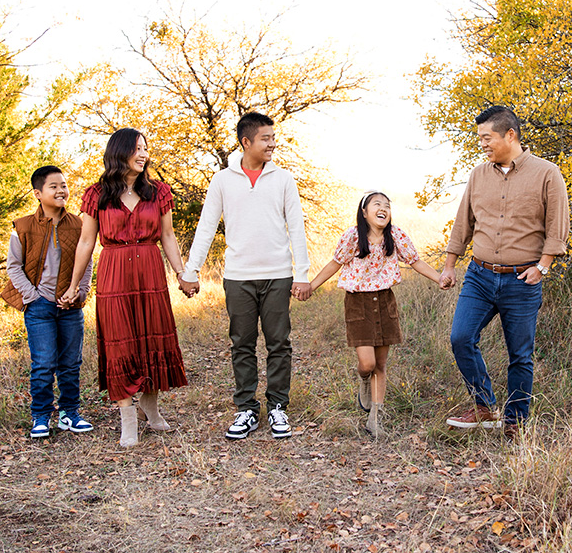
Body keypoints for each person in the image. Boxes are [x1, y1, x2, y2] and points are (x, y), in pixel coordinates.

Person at [440, 106, 570, 439]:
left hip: (522, 280)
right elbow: (463, 222)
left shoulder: (547, 173)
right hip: (479, 276)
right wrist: (450, 264)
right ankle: (484, 406)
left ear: (509, 135)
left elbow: (558, 226)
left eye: (487, 138)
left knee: (520, 355)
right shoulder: (478, 175)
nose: (482, 144)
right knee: (461, 338)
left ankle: (514, 422)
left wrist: (543, 267)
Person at [182, 112, 311, 440]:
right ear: (246, 142)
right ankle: (246, 409)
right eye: (265, 138)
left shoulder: (284, 178)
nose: (272, 143)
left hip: (278, 275)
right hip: (238, 276)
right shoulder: (223, 180)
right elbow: (207, 226)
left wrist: (302, 274)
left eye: (273, 137)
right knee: (242, 343)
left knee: (279, 342)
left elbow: (296, 226)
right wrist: (191, 270)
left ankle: (278, 407)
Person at [60, 128, 187, 447]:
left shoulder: (158, 192)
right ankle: (127, 420)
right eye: (137, 149)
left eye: (146, 148)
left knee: (151, 339)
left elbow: (168, 237)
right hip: (114, 274)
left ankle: (151, 411)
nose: (143, 154)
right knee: (122, 344)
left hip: (150, 271)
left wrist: (183, 274)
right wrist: (74, 285)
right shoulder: (96, 194)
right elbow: (86, 241)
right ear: (119, 152)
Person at [305, 190, 442, 437]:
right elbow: (335, 263)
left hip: (385, 300)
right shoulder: (353, 237)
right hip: (358, 303)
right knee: (367, 363)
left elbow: (415, 261)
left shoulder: (396, 235)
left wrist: (440, 278)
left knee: (380, 364)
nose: (383, 208)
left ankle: (375, 418)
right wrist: (312, 286)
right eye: (377, 204)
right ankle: (363, 379)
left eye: (387, 205)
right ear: (364, 212)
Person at [1, 166, 94, 439]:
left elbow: (85, 262)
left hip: (70, 306)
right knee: (43, 363)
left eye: (63, 185)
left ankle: (69, 413)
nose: (61, 190)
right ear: (38, 193)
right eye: (53, 186)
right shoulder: (23, 226)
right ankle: (41, 416)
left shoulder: (78, 225)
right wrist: (32, 296)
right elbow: (13, 266)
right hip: (39, 306)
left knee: (71, 362)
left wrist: (80, 292)